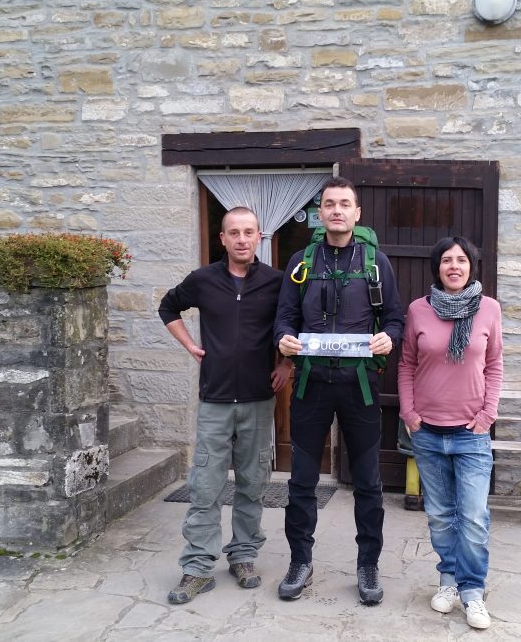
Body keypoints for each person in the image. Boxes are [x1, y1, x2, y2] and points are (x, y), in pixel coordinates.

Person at [273, 176, 404, 605]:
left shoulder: (376, 262)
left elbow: (395, 319)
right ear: (319, 211)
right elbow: (285, 316)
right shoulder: (301, 261)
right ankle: (300, 561)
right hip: (311, 385)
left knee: (367, 482)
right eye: (329, 203)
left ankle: (368, 565)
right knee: (302, 482)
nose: (336, 211)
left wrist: (388, 338)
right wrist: (283, 340)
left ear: (356, 213)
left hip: (360, 388)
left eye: (344, 204)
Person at [157, 207, 291, 605]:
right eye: (234, 233)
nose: (242, 239)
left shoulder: (276, 282)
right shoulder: (202, 280)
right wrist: (189, 345)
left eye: (249, 232)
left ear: (259, 237)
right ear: (223, 239)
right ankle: (197, 568)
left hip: (258, 399)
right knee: (205, 487)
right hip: (215, 400)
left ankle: (244, 556)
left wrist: (287, 363)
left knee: (252, 483)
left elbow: (293, 322)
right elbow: (167, 307)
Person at [397, 235, 503, 630]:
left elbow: (494, 365)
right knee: (441, 516)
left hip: (472, 432)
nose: (454, 266)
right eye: (446, 260)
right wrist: (408, 411)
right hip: (427, 431)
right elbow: (406, 364)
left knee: (473, 516)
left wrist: (487, 414)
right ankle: (448, 582)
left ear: (472, 265)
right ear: (436, 268)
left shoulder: (489, 309)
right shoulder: (418, 310)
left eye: (461, 260)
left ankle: (472, 590)